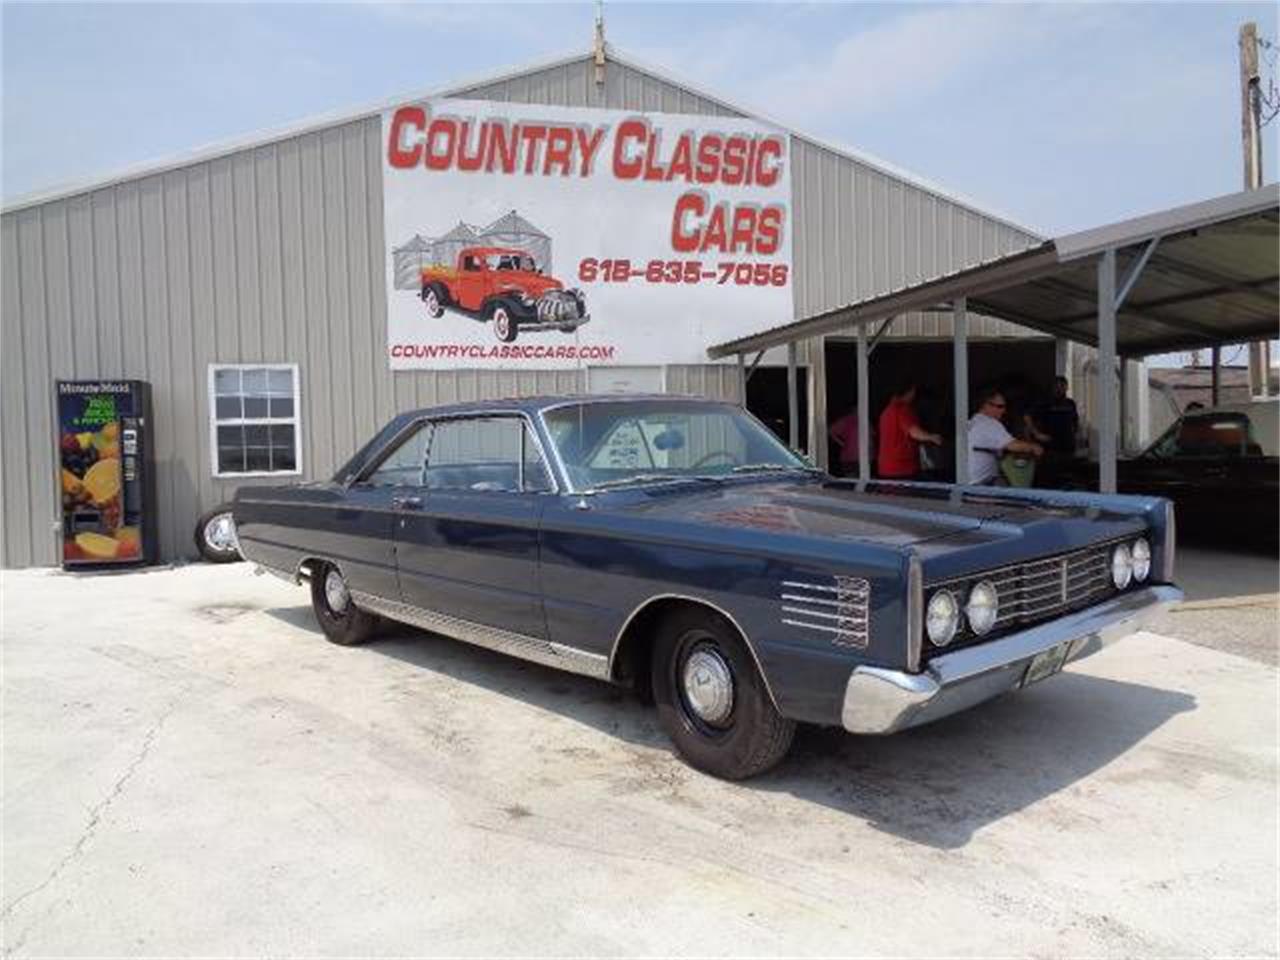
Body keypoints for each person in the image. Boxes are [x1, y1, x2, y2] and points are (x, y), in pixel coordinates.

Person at [969, 388, 1044, 484]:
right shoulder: (989, 423)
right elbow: (1014, 445)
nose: (1004, 411)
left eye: (1004, 407)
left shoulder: (974, 421)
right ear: (986, 405)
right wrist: (1034, 447)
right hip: (981, 484)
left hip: (973, 480)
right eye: (1000, 406)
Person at [877, 381, 941, 480]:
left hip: (886, 468)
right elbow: (913, 431)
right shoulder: (902, 410)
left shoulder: (886, 411)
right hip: (902, 468)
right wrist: (931, 437)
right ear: (910, 392)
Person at [1030, 376, 1080, 457]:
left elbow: (1075, 421)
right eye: (1057, 386)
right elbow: (1027, 417)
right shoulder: (1045, 403)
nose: (1060, 389)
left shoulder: (1070, 403)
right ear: (1052, 388)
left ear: (1066, 387)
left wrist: (1075, 433)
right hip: (1050, 447)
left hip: (1068, 447)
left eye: (1062, 386)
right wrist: (1037, 434)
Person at [828, 405, 862, 477]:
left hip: (863, 457)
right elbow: (831, 431)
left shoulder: (864, 420)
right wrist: (841, 443)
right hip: (850, 457)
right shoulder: (847, 420)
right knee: (851, 481)